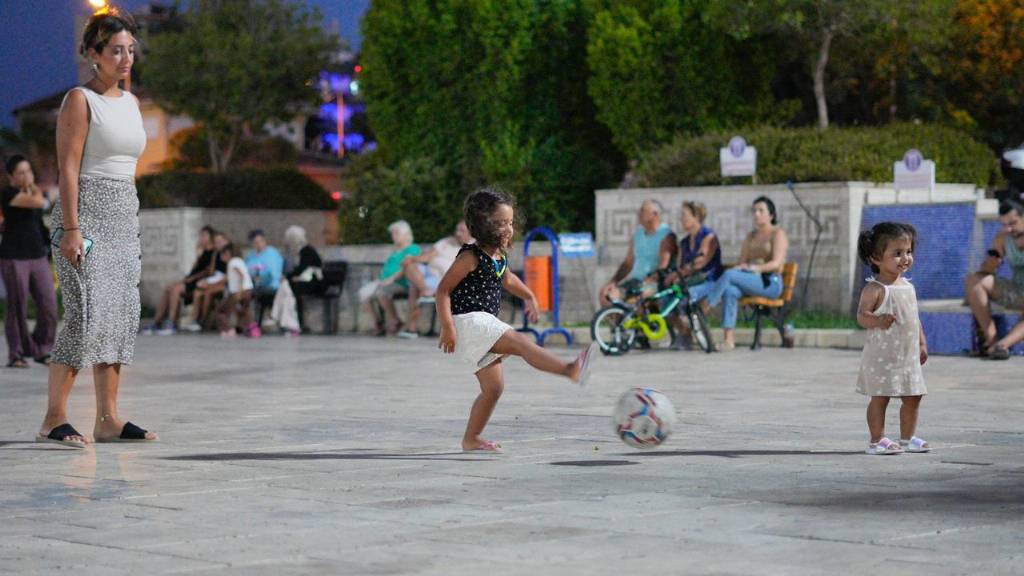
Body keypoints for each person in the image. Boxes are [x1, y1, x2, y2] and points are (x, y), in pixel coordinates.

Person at [38, 12, 157, 447]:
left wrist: (128, 213)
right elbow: (68, 168)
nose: (126, 58)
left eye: (130, 50)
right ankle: (54, 418)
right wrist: (72, 228)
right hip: (84, 215)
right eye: (116, 51)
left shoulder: (131, 101)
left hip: (124, 214)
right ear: (94, 54)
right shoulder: (79, 100)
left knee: (120, 316)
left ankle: (108, 419)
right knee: (85, 315)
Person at [436, 187, 598, 453]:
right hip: (469, 322)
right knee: (521, 342)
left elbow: (508, 279)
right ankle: (569, 369)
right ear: (481, 224)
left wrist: (530, 296)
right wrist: (448, 327)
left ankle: (471, 439)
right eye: (501, 223)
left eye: (510, 222)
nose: (508, 229)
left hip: (481, 325)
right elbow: (442, 290)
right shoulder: (470, 256)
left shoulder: (498, 257)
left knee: (494, 388)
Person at [855, 222, 929, 455]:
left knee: (913, 396)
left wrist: (922, 342)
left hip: (907, 356)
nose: (905, 258)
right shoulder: (875, 289)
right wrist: (877, 320)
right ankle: (877, 440)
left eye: (908, 252)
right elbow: (861, 317)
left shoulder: (907, 286)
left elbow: (914, 318)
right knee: (881, 397)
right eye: (897, 253)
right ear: (876, 258)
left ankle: (907, 438)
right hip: (882, 357)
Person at [691, 196, 789, 351]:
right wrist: (743, 268)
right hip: (751, 280)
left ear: (771, 215)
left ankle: (705, 306)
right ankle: (728, 340)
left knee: (729, 275)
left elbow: (777, 263)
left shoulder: (777, 234)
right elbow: (742, 261)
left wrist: (755, 269)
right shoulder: (750, 236)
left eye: (760, 211)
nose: (756, 214)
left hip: (770, 283)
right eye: (754, 211)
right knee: (730, 290)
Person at [1, 155, 58, 368]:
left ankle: (42, 349)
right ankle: (16, 354)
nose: (26, 176)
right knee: (17, 307)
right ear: (11, 177)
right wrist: (38, 190)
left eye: (29, 171)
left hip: (38, 255)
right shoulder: (9, 194)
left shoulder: (35, 195)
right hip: (14, 256)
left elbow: (40, 222)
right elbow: (38, 202)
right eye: (21, 172)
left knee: (49, 304)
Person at [964, 199, 1024, 360]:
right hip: (1017, 290)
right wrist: (991, 264)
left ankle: (1002, 345)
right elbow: (986, 270)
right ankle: (992, 341)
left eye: (1013, 223)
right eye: (1004, 224)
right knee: (973, 280)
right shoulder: (1003, 238)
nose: (1008, 229)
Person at [396, 220, 473, 338]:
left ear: (471, 231)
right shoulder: (446, 242)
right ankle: (426, 292)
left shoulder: (473, 247)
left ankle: (412, 329)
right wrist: (411, 259)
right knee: (409, 266)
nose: (457, 233)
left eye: (461, 231)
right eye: (457, 230)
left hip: (446, 280)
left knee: (413, 287)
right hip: (428, 276)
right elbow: (428, 256)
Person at [664, 201, 723, 350]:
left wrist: (679, 274)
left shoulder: (709, 237)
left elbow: (700, 263)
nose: (681, 219)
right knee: (666, 300)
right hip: (690, 282)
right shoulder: (684, 242)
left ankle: (691, 333)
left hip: (710, 281)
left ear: (696, 216)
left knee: (686, 296)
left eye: (684, 215)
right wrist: (675, 275)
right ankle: (685, 333)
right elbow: (680, 266)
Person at [599, 199, 677, 306]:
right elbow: (628, 263)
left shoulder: (666, 235)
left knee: (634, 298)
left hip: (654, 283)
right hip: (636, 281)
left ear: (655, 214)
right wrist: (613, 281)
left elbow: (663, 266)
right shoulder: (638, 233)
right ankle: (618, 322)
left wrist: (647, 281)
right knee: (606, 294)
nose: (639, 214)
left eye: (643, 211)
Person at [145, 225, 217, 335]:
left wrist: (191, 279)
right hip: (190, 279)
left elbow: (208, 271)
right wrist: (198, 255)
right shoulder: (202, 252)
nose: (201, 238)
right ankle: (157, 321)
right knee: (168, 288)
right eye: (201, 235)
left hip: (198, 281)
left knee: (176, 290)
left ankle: (172, 322)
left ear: (210, 237)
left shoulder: (213, 252)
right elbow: (194, 268)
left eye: (204, 235)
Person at [358, 220, 421, 335]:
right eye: (393, 234)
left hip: (402, 282)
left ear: (406, 235)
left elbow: (408, 267)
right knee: (363, 294)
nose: (393, 236)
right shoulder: (395, 251)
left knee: (381, 292)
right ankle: (378, 323)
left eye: (396, 233)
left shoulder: (413, 249)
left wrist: (391, 279)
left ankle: (395, 321)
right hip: (384, 281)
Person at [184, 230, 231, 331]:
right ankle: (195, 320)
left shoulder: (230, 254)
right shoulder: (215, 254)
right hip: (215, 280)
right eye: (216, 242)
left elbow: (229, 275)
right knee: (197, 292)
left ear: (226, 241)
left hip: (225, 283)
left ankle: (203, 321)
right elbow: (212, 272)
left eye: (220, 241)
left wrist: (211, 284)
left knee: (207, 293)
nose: (218, 244)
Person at [283, 225, 324, 333]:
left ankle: (297, 322)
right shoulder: (303, 251)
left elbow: (302, 269)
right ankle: (293, 321)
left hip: (315, 283)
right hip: (308, 281)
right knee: (289, 289)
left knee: (291, 290)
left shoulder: (306, 251)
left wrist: (287, 276)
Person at [245, 229, 284, 336]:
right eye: (256, 242)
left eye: (261, 241)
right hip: (255, 285)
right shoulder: (252, 256)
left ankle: (253, 324)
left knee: (251, 295)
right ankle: (250, 324)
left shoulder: (272, 253)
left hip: (271, 286)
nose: (259, 244)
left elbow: (273, 273)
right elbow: (247, 269)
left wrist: (259, 276)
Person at [214, 242, 255, 338]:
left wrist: (240, 290)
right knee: (243, 312)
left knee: (221, 311)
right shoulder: (240, 261)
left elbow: (241, 275)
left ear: (227, 253)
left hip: (238, 292)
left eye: (222, 254)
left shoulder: (232, 262)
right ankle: (245, 329)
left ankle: (228, 330)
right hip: (248, 290)